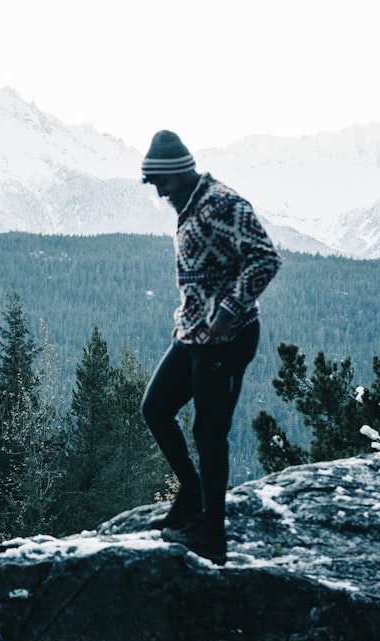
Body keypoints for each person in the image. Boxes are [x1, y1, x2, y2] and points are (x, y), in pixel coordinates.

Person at [139, 130, 281, 565]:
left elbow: (265, 258)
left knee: (209, 431)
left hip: (228, 337)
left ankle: (211, 533)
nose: (158, 191)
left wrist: (227, 315)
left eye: (160, 181)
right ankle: (192, 494)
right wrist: (193, 322)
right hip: (193, 335)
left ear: (179, 173)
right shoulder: (188, 205)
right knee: (156, 408)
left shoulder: (221, 203)